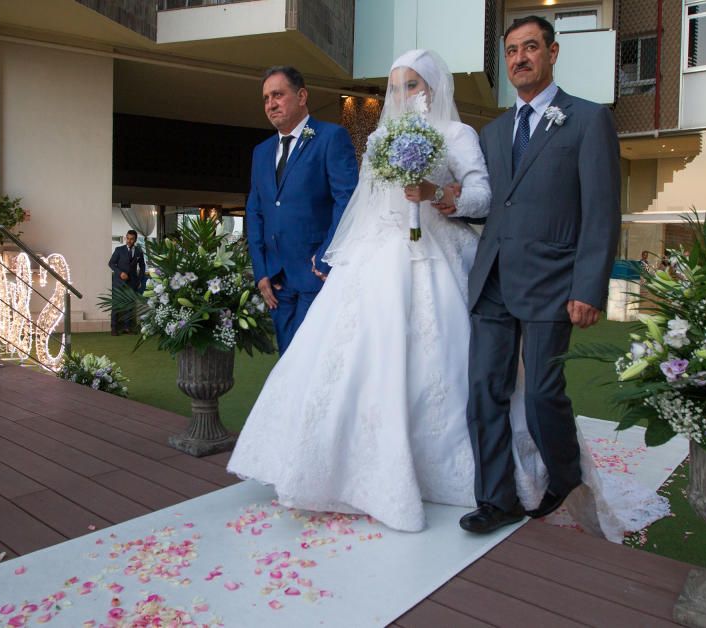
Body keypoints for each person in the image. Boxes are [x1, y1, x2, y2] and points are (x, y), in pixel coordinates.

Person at [227, 50, 550, 532]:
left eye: (413, 85)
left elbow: (480, 195)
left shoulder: (458, 135)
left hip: (436, 252)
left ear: (434, 89)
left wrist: (437, 195)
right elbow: (367, 201)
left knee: (444, 358)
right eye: (396, 86)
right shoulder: (379, 138)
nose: (403, 95)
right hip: (379, 254)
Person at [460, 15, 623, 534]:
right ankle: (496, 499)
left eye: (530, 48)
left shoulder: (588, 119)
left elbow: (601, 211)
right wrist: (443, 198)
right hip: (493, 280)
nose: (519, 59)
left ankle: (566, 472)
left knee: (542, 394)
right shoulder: (492, 131)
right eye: (511, 51)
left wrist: (588, 286)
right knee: (484, 390)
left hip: (554, 281)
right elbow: (488, 205)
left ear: (553, 53)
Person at [245, 66, 359, 354]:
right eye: (266, 98)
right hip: (276, 283)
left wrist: (325, 257)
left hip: (315, 274)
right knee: (286, 361)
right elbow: (255, 211)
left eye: (278, 95)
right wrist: (260, 271)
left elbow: (348, 201)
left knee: (308, 362)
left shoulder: (330, 137)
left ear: (302, 96)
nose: (271, 104)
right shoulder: (261, 152)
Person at [108, 229, 145, 335]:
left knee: (129, 305)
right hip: (119, 281)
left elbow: (142, 266)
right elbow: (111, 263)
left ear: (135, 240)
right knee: (116, 304)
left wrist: (140, 279)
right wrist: (120, 273)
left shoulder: (139, 251)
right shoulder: (119, 249)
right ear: (126, 238)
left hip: (132, 282)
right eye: (127, 238)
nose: (129, 241)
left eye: (131, 239)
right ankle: (114, 328)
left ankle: (127, 327)